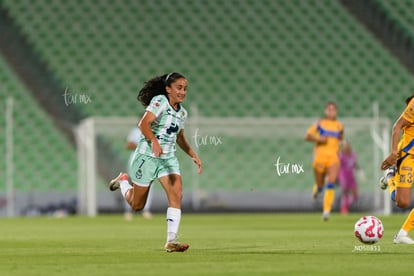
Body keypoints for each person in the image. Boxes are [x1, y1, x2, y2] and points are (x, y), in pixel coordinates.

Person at [109, 72, 202, 252]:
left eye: (185, 89)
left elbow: (180, 137)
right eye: (179, 88)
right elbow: (143, 124)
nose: (183, 92)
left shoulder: (182, 113)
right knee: (137, 205)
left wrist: (193, 154)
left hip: (167, 160)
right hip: (147, 157)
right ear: (168, 89)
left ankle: (171, 241)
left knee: (177, 194)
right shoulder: (160, 101)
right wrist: (154, 141)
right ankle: (122, 182)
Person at [381, 94, 414, 244]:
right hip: (408, 156)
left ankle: (402, 233)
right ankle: (390, 177)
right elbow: (397, 126)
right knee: (402, 202)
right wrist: (394, 153)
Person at [305, 101, 344, 221]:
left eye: (333, 109)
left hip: (333, 157)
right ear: (325, 111)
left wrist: (341, 148)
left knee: (331, 182)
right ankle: (317, 190)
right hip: (320, 157)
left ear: (336, 111)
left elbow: (340, 140)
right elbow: (307, 136)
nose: (331, 111)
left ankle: (326, 211)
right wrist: (318, 138)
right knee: (321, 185)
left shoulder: (339, 125)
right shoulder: (319, 124)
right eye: (329, 109)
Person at [124, 126, 153, 220]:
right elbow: (128, 145)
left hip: (148, 160)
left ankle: (146, 210)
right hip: (135, 160)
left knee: (149, 184)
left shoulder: (154, 131)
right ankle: (129, 210)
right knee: (133, 184)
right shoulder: (136, 131)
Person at [338, 142, 358, 215]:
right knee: (345, 192)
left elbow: (355, 164)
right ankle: (344, 208)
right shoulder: (341, 156)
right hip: (343, 175)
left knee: (355, 194)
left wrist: (360, 171)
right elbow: (338, 165)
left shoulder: (353, 155)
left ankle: (347, 205)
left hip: (351, 175)